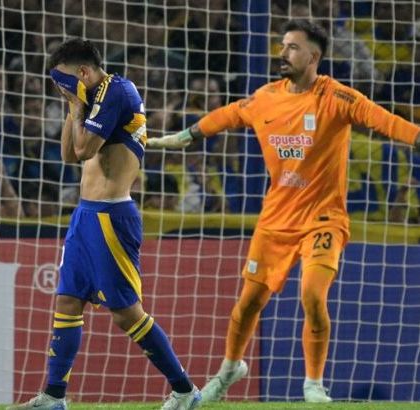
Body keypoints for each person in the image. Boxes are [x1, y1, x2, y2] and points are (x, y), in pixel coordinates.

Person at [147, 19, 420, 403]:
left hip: (324, 219)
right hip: (275, 221)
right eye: (282, 45)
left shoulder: (337, 98)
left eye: (292, 47)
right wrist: (184, 136)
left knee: (312, 295)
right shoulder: (265, 98)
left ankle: (313, 383)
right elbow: (227, 115)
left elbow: (386, 122)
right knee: (248, 304)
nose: (283, 52)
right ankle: (229, 370)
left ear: (314, 56)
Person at [7, 38, 201, 410]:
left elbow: (85, 150)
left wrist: (75, 105)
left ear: (83, 72)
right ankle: (54, 397)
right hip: (85, 214)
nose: (62, 88)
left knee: (126, 313)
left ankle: (184, 390)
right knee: (67, 300)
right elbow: (68, 155)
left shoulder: (118, 92)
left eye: (64, 81)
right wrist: (73, 106)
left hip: (112, 215)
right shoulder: (90, 98)